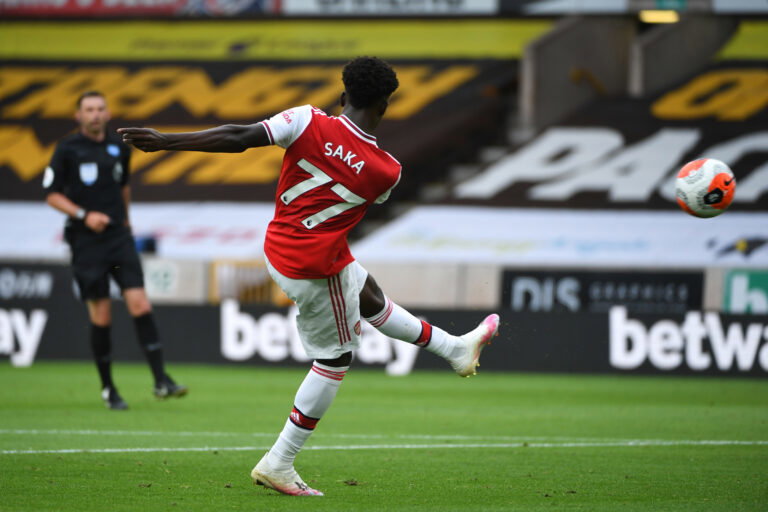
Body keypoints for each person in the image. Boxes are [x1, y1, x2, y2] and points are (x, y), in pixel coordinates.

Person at [119, 56, 499, 495]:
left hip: (280, 246)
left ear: (343, 97)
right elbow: (357, 195)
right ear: (386, 106)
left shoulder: (304, 120)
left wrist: (167, 141)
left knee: (368, 293)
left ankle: (454, 348)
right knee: (335, 358)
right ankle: (279, 462)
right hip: (315, 266)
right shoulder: (387, 171)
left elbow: (239, 137)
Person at [44, 90, 188, 410]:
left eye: (100, 109)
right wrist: (84, 215)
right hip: (85, 241)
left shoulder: (118, 148)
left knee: (140, 303)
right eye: (89, 109)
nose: (95, 114)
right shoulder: (67, 149)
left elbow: (123, 187)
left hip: (118, 239)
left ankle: (161, 380)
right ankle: (109, 388)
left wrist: (127, 222)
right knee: (102, 314)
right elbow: (51, 195)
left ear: (108, 114)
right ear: (78, 116)